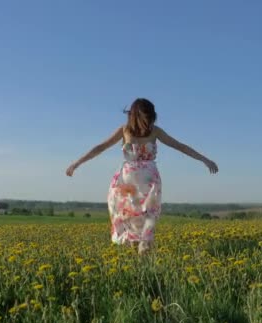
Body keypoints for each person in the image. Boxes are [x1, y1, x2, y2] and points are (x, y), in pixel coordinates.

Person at [65, 98, 218, 255]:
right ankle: (136, 259)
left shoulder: (155, 131)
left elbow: (180, 146)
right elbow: (100, 147)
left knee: (148, 216)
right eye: (146, 116)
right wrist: (76, 163)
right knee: (128, 216)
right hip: (127, 182)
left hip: (149, 182)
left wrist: (205, 160)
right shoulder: (124, 130)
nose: (149, 120)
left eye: (150, 116)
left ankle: (144, 252)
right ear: (136, 115)